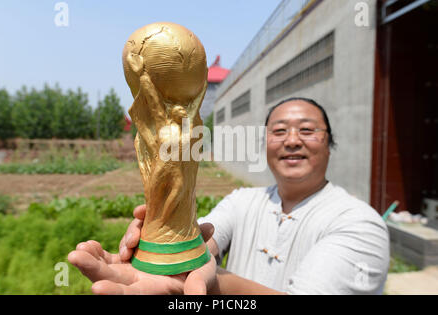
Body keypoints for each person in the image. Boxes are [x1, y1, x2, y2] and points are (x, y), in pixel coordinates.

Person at [68, 97, 390, 295]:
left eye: (307, 130)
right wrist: (167, 237)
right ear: (265, 143)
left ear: (329, 142)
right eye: (279, 131)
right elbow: (206, 238)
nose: (292, 140)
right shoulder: (243, 201)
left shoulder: (359, 222)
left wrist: (199, 283)